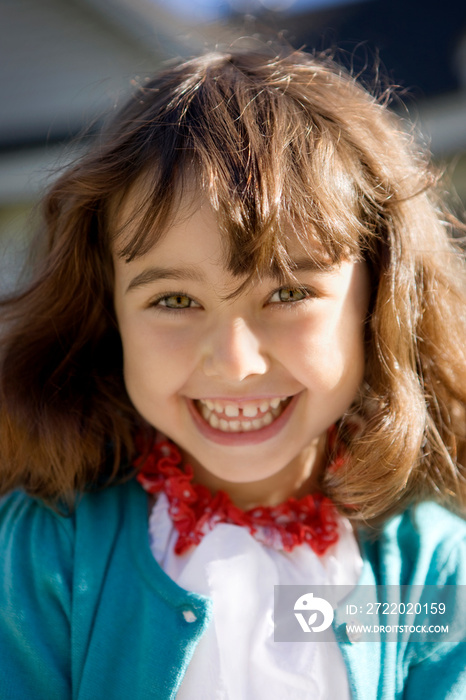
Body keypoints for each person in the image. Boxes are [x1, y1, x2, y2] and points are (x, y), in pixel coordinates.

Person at [0, 45, 465, 700]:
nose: (236, 362)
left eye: (287, 294)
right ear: (109, 314)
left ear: (379, 298)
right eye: (175, 301)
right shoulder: (45, 553)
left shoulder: (431, 579)